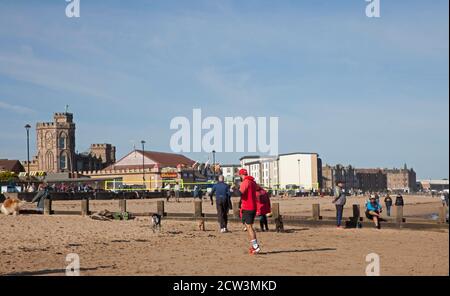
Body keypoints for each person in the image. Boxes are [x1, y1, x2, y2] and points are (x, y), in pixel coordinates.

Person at [238, 168, 260, 254]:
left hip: (248, 207)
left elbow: (240, 193)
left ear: (241, 175)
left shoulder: (245, 182)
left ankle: (255, 246)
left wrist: (234, 189)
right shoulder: (253, 182)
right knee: (247, 225)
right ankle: (254, 245)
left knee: (249, 227)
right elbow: (257, 189)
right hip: (252, 206)